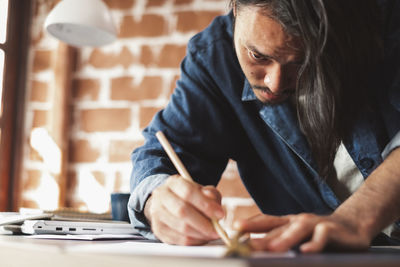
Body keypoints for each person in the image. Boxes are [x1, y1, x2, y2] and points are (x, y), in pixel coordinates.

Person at [128, 0, 400, 252]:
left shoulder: (389, 25)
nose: (275, 83)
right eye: (258, 56)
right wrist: (157, 201)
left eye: (303, 63)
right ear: (235, 8)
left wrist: (357, 218)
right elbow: (163, 153)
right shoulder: (215, 59)